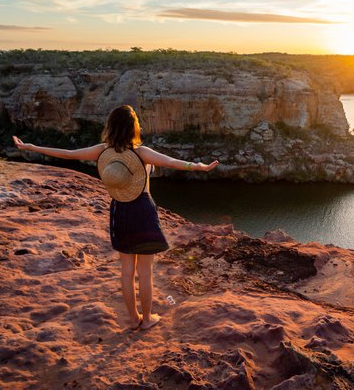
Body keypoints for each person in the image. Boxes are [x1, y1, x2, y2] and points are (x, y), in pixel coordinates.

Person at [12, 105, 218, 330]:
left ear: (111, 126)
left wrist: (31, 147)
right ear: (133, 127)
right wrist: (198, 167)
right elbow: (171, 162)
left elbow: (68, 154)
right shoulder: (141, 153)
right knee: (145, 272)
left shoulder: (102, 151)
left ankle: (133, 319)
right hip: (142, 210)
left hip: (120, 209)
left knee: (126, 271)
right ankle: (147, 319)